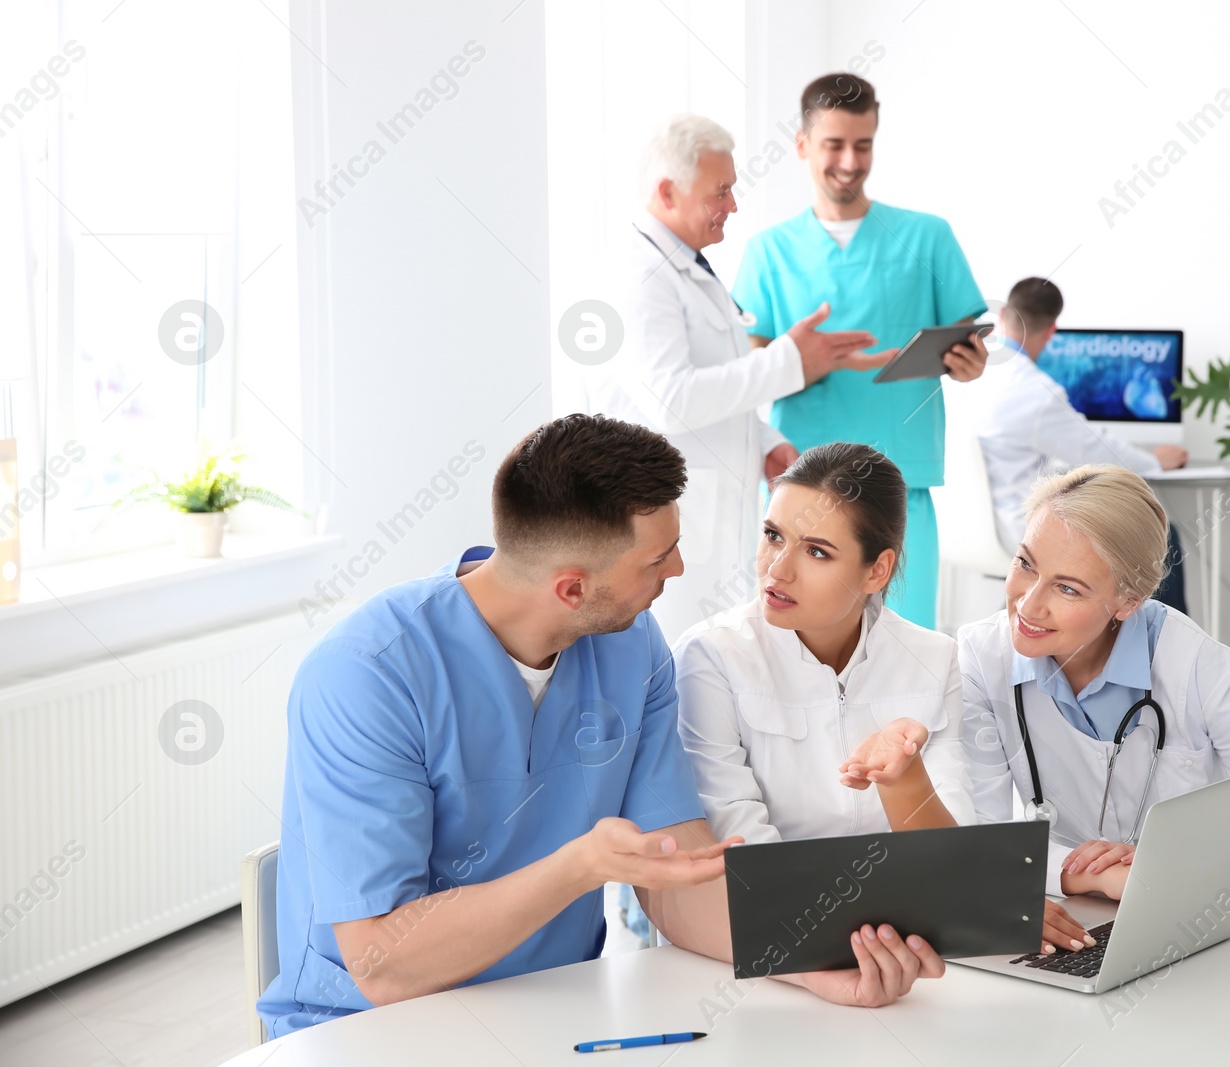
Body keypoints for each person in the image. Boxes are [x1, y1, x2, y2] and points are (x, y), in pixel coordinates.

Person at [258, 415, 944, 1037]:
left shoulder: (632, 648)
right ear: (571, 589)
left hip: (559, 1010)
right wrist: (579, 866)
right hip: (367, 1028)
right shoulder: (366, 676)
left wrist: (804, 961)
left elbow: (680, 878)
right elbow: (384, 964)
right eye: (656, 560)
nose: (678, 568)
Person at [956, 464, 1230, 955]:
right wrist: (1086, 876)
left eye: (1068, 588)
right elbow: (976, 841)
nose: (1029, 603)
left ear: (1128, 601)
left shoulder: (1199, 669)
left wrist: (1172, 859)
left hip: (1196, 928)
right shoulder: (981, 658)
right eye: (1025, 563)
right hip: (1076, 927)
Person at [594, 114, 886, 643]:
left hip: (711, 506)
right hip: (667, 514)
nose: (732, 205)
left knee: (717, 655)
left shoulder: (691, 267)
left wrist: (765, 444)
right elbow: (672, 401)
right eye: (721, 191)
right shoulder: (644, 275)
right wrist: (791, 361)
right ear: (667, 191)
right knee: (675, 658)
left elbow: (715, 387)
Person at [734, 73, 990, 630]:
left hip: (900, 478)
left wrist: (970, 366)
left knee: (907, 641)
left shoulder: (928, 237)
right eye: (834, 144)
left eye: (863, 144)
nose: (850, 161)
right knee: (795, 645)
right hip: (801, 486)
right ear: (802, 145)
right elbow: (749, 376)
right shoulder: (767, 252)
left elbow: (963, 345)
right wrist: (810, 361)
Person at [673, 443, 977, 843]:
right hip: (774, 902)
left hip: (905, 901)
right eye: (773, 535)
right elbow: (741, 846)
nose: (777, 569)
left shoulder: (935, 659)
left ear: (877, 571)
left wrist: (907, 779)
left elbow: (954, 852)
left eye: (817, 552)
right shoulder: (711, 656)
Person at [963, 277, 1190, 612]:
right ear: (1052, 330)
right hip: (1017, 530)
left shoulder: (967, 377)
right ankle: (1165, 656)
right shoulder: (1035, 391)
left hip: (963, 527)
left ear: (1004, 316)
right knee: (1163, 534)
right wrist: (1155, 462)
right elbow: (1097, 450)